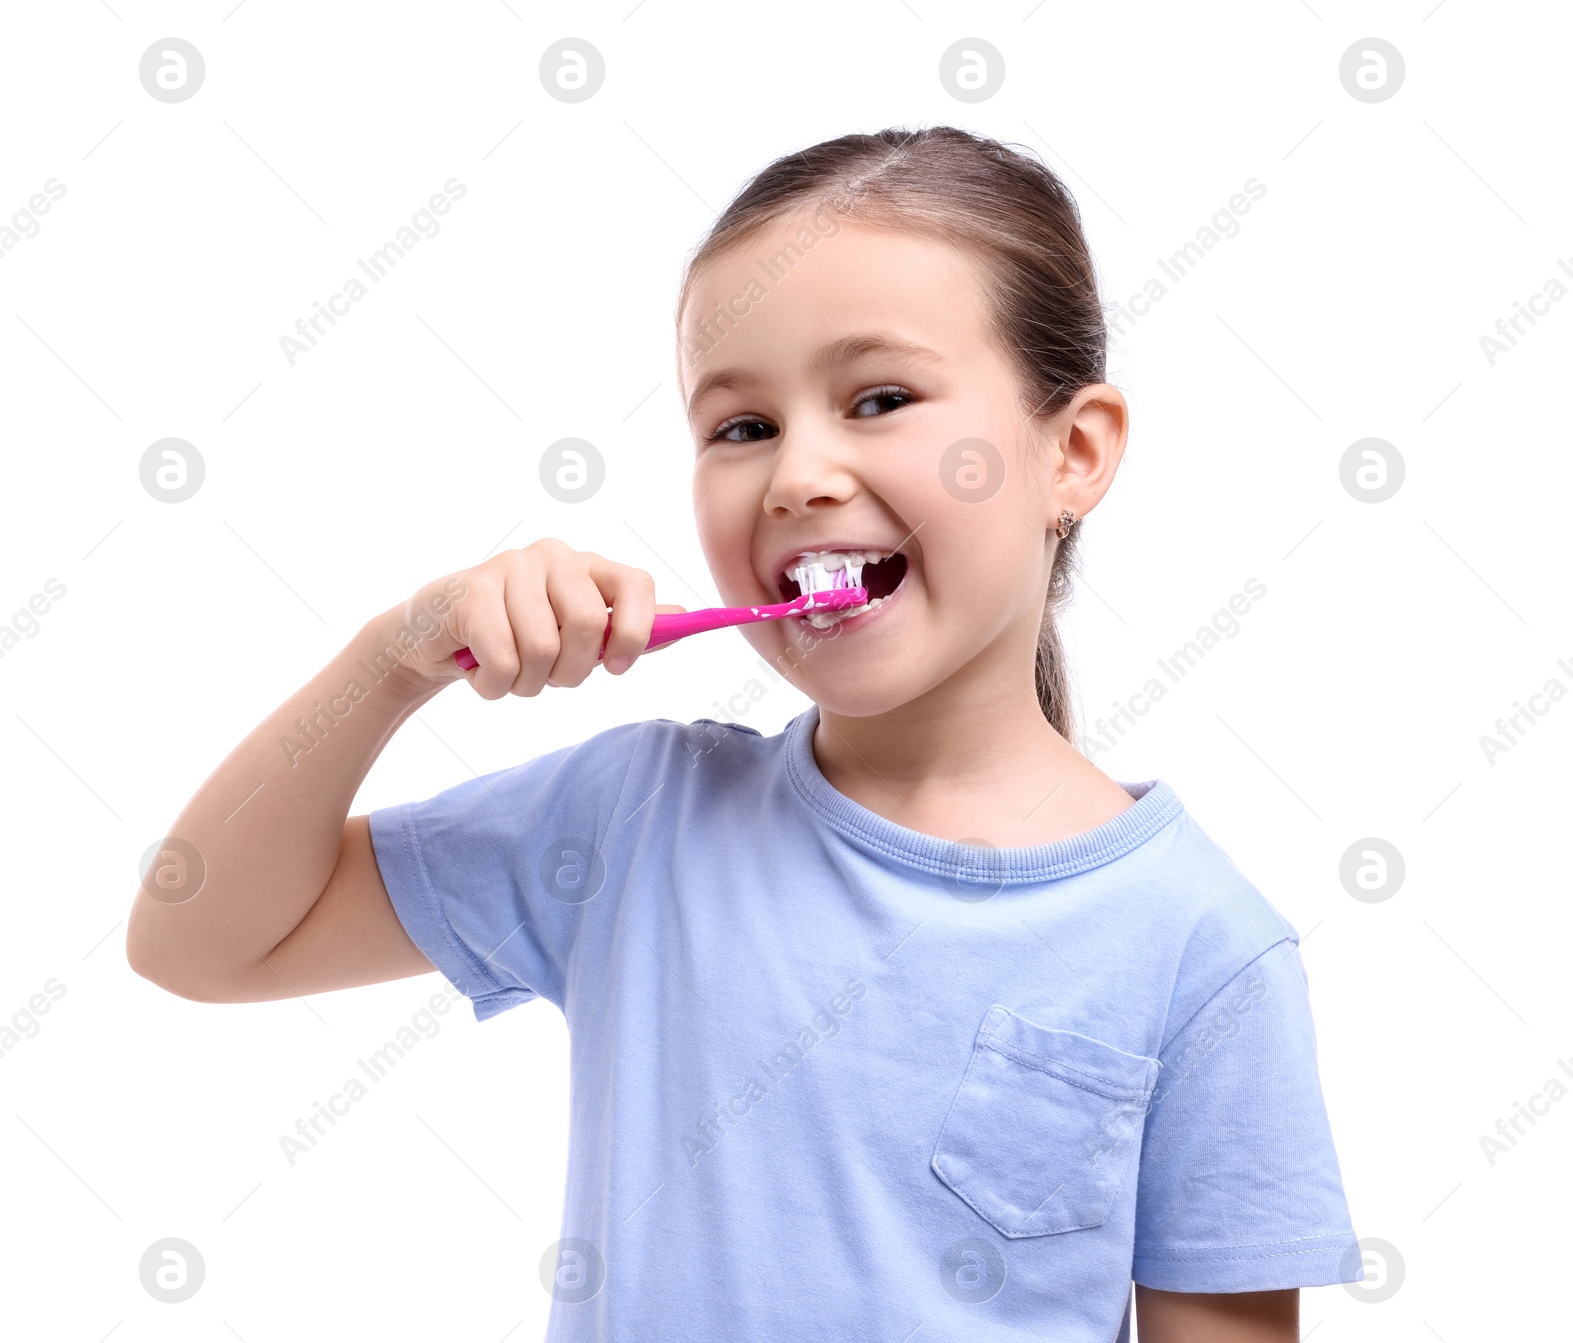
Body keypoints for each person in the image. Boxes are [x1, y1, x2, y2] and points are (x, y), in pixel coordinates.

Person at [127, 126, 1363, 1342]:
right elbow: (197, 935)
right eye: (740, 426)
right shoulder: (630, 823)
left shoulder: (1203, 949)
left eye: (879, 398)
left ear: (1073, 454)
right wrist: (397, 657)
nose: (796, 474)